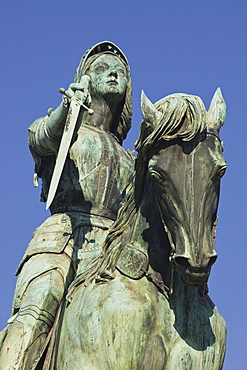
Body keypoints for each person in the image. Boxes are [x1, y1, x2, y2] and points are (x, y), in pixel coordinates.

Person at [0, 41, 134, 369]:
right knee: (37, 308)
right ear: (85, 79)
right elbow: (41, 138)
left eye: (120, 72)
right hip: (64, 239)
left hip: (114, 247)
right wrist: (68, 107)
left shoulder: (130, 157)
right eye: (101, 69)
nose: (114, 74)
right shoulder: (65, 129)